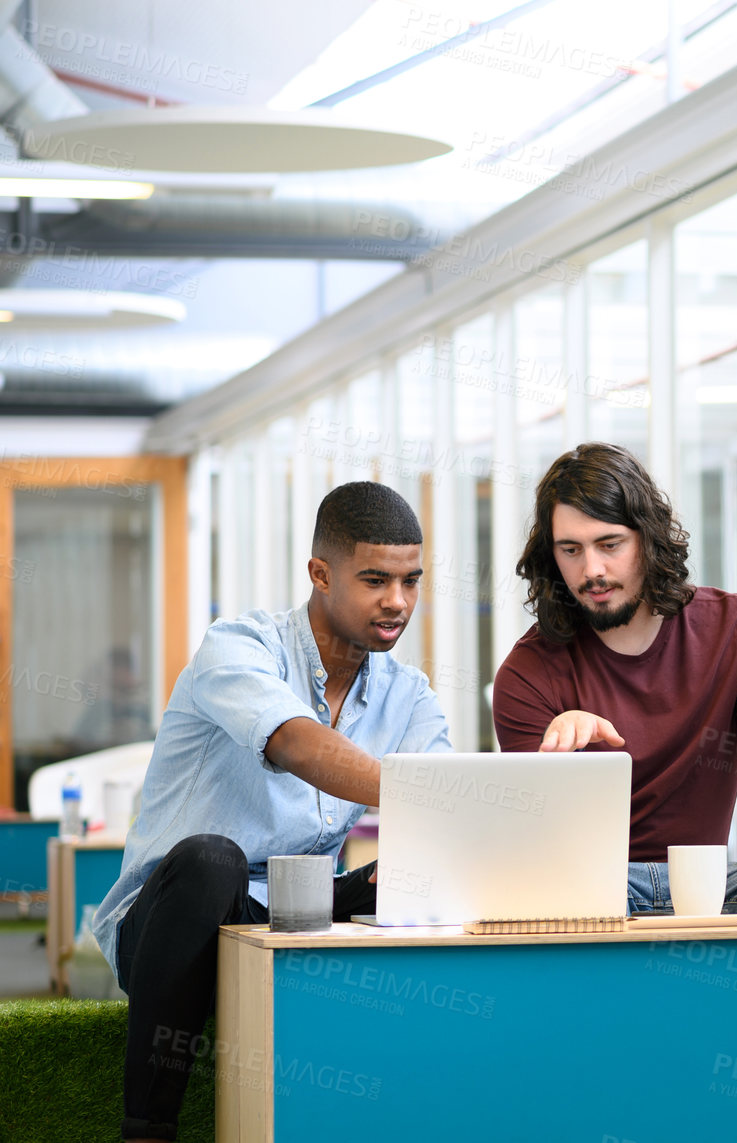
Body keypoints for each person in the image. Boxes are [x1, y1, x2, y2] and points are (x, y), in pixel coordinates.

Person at [92, 482, 450, 1143]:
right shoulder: (237, 647)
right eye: (375, 579)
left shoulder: (410, 695)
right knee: (212, 858)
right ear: (320, 573)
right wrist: (428, 793)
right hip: (173, 914)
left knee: (399, 877)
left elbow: (444, 813)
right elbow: (294, 743)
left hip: (294, 905)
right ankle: (146, 1128)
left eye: (410, 580)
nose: (397, 601)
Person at [491, 442, 737, 1037]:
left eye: (610, 544)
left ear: (646, 539)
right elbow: (540, 855)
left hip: (707, 882)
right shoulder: (527, 672)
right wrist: (557, 762)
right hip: (594, 890)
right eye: (570, 551)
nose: (592, 571)